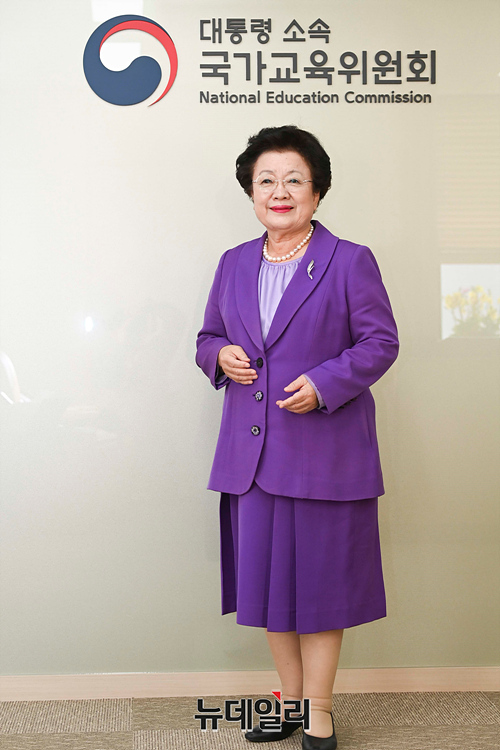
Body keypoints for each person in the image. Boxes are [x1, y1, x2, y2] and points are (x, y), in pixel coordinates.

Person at [195, 125, 399, 750]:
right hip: (251, 460)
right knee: (266, 590)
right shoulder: (233, 262)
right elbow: (207, 337)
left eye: (293, 180)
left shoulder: (350, 260)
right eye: (266, 180)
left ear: (317, 190)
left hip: (325, 457)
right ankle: (288, 703)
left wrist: (324, 382)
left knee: (319, 591)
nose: (278, 191)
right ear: (251, 191)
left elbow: (381, 342)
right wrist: (219, 355)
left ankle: (320, 711)